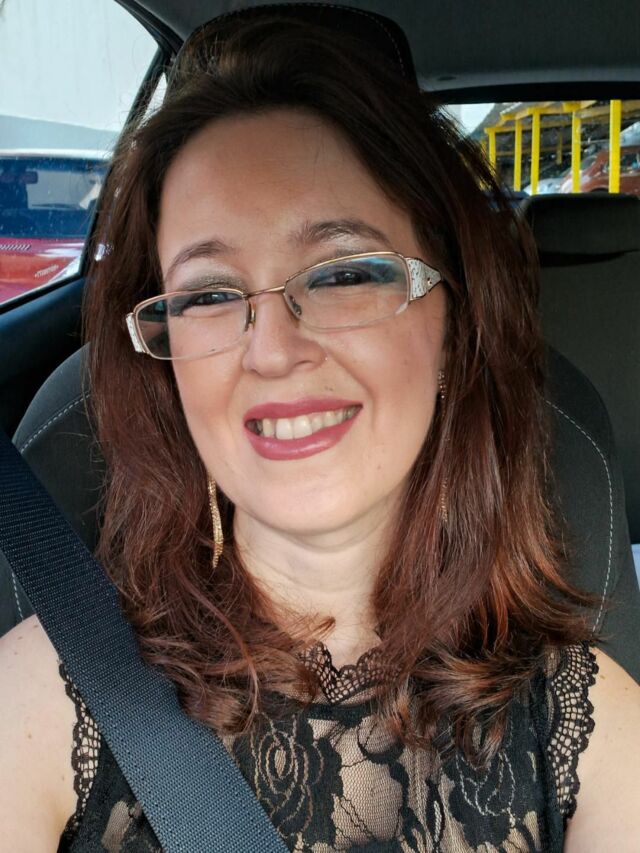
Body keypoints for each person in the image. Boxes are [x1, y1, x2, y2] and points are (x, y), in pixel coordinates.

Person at [1, 11, 639, 852]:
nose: (272, 351)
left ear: (454, 327)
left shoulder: (587, 727)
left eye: (343, 274)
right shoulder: (41, 699)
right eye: (209, 294)